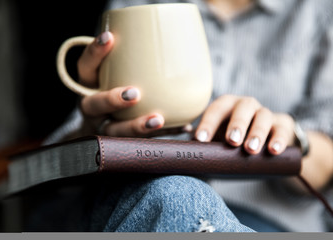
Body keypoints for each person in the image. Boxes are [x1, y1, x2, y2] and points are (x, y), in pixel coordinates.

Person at [27, 0, 333, 232]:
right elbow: (48, 171)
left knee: (176, 197)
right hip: (127, 204)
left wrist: (289, 139)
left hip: (273, 218)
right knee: (172, 196)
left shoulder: (318, 11)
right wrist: (93, 129)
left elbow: (326, 158)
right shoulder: (135, 5)